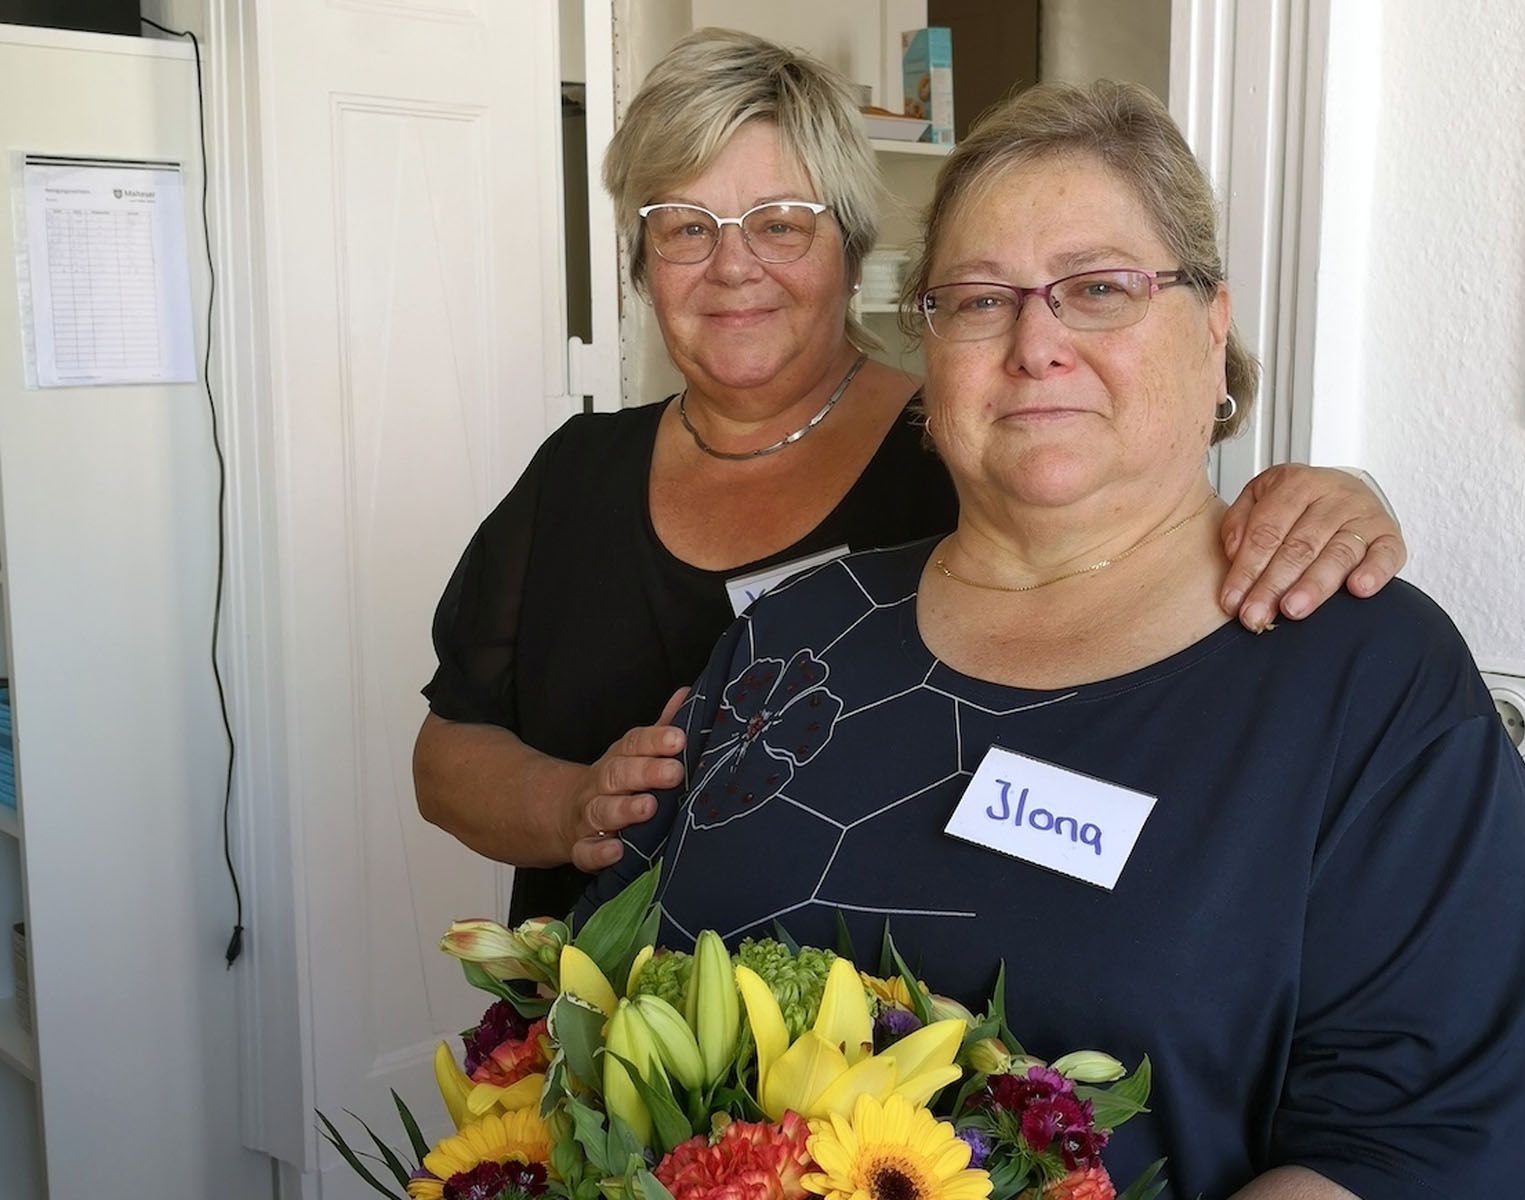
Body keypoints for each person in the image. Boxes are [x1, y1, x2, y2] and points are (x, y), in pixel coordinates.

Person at [575, 79, 1525, 1200]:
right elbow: (612, 1003)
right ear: (931, 349)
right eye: (981, 300)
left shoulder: (1364, 678)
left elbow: (1406, 1148)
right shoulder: (795, 636)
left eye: (1099, 288)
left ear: (1212, 325)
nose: (1036, 342)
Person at [416, 29, 1409, 928]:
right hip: (597, 1019)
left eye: (780, 222)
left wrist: (1336, 498)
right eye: (685, 226)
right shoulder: (578, 472)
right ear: (642, 265)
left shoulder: (977, 449)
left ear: (852, 252)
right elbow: (448, 747)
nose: (732, 266)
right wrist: (572, 806)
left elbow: (1148, 549)